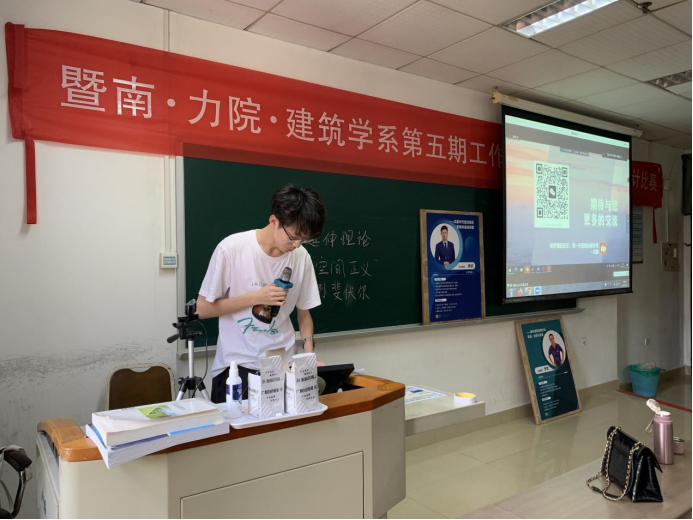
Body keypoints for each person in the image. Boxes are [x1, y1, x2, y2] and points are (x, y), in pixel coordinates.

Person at [196, 185, 326, 404]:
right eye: (294, 237)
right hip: (237, 369)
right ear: (274, 221)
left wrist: (308, 356)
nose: (297, 245)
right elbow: (202, 309)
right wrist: (256, 297)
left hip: (283, 367)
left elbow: (304, 314)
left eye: (304, 239)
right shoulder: (232, 249)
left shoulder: (301, 257)